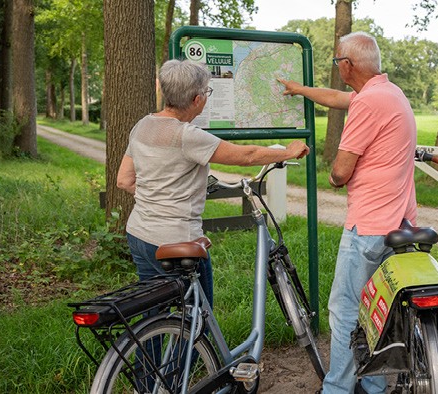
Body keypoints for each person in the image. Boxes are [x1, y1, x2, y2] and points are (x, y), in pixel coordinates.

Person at [278, 31, 417, 394]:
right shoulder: (389, 93)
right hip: (397, 221)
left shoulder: (368, 104)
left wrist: (331, 175)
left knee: (343, 310)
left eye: (338, 59)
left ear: (348, 65)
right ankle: (371, 384)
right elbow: (341, 99)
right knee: (373, 309)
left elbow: (341, 172)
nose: (337, 64)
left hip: (368, 226)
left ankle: (336, 388)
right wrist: (300, 89)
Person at [117, 59, 310, 308]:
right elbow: (246, 156)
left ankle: (149, 345)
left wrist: (157, 194)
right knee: (196, 321)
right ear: (197, 100)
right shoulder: (187, 135)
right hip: (177, 241)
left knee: (153, 314)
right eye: (207, 92)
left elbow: (124, 180)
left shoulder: (142, 126)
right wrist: (288, 151)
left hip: (139, 235)